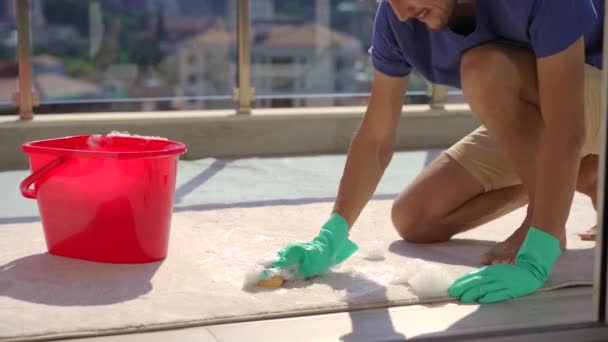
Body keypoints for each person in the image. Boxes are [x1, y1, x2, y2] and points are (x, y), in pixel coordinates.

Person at [265, 0, 604, 303]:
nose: (400, 11)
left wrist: (539, 249)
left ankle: (545, 219)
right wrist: (332, 234)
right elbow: (376, 137)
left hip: (585, 99)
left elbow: (567, 127)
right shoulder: (398, 16)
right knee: (416, 218)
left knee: (484, 68)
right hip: (554, 113)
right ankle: (587, 173)